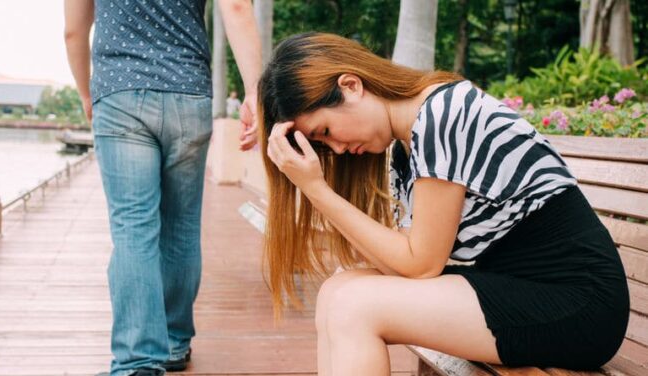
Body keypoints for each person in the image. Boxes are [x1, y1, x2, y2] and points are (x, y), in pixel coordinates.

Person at [258, 32, 629, 375]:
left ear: (351, 86)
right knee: (338, 290)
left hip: (577, 303)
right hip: (520, 288)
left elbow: (420, 265)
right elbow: (406, 263)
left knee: (355, 305)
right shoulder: (409, 145)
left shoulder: (441, 115)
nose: (337, 149)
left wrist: (316, 190)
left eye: (325, 132)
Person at [63, 1, 260, 375]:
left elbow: (74, 30)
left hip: (119, 92)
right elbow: (236, 6)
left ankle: (138, 360)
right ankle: (173, 343)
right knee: (181, 228)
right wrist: (253, 90)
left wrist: (87, 94)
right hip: (188, 91)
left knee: (133, 230)